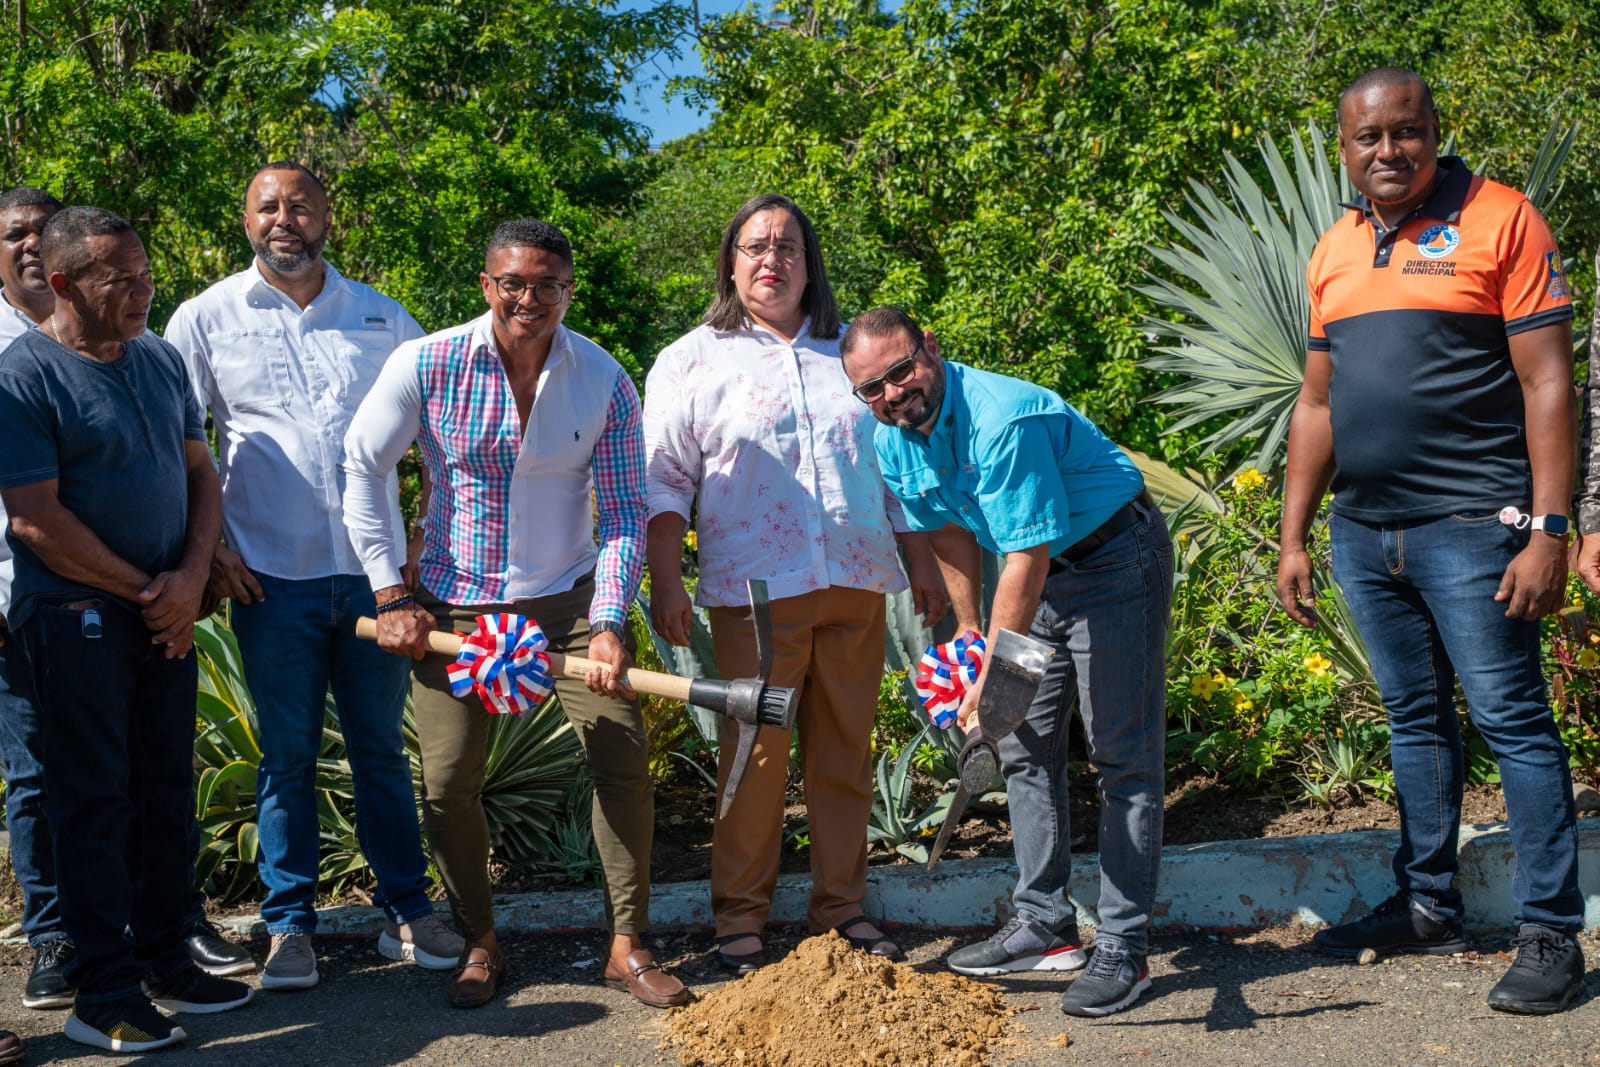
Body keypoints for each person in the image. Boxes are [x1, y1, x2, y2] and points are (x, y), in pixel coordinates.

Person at [1276, 68, 1586, 1015]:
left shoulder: (1500, 217)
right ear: (1344, 147)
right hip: (1367, 534)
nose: (1388, 153)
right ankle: (1426, 904)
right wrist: (1294, 535)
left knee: (1513, 724)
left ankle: (1550, 933)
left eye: (1405, 133)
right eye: (1367, 138)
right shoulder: (1333, 247)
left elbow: (1548, 385)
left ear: (1434, 132)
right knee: (1415, 722)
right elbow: (1319, 401)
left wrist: (1552, 528)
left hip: (1475, 530)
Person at [342, 217, 686, 1010]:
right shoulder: (426, 364)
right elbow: (363, 464)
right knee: (447, 781)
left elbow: (629, 511)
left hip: (566, 597)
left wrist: (607, 619)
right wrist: (392, 593)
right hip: (456, 601)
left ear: (569, 289)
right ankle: (480, 941)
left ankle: (626, 943)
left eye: (549, 285)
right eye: (514, 283)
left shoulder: (602, 377)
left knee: (621, 752)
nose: (530, 298)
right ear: (487, 285)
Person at [165, 162, 459, 992]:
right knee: (285, 757)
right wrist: (214, 549)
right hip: (270, 578)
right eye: (267, 206)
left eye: (299, 204)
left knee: (379, 751)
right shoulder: (205, 318)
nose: (283, 218)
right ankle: (289, 925)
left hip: (376, 581)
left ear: (329, 215)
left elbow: (434, 444)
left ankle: (408, 909)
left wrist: (420, 545)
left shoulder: (382, 317)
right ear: (246, 217)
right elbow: (182, 450)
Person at [840, 306, 1173, 1019]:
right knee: (1022, 745)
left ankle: (1123, 945)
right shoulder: (892, 437)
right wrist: (969, 630)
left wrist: (997, 662)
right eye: (872, 388)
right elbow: (949, 530)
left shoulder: (1001, 419)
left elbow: (1025, 553)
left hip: (1112, 562)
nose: (893, 394)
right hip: (1040, 578)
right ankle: (1046, 924)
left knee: (1121, 757)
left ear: (931, 346)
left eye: (901, 371)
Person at [643, 194, 942, 975]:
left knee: (844, 756)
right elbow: (666, 480)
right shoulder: (692, 359)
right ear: (730, 261)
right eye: (754, 246)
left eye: (788, 247)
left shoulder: (849, 354)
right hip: (756, 596)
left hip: (856, 582)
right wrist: (668, 579)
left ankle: (841, 908)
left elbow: (899, 467)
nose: (771, 259)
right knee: (756, 761)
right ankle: (741, 917)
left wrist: (922, 567)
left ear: (810, 264)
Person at [0, 206, 253, 1051]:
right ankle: (102, 992)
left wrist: (188, 577)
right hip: (75, 618)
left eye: (145, 273)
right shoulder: (23, 377)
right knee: (94, 803)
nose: (143, 291)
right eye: (120, 279)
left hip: (162, 608)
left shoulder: (158, 359)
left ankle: (166, 960)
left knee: (162, 791)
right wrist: (153, 587)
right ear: (65, 282)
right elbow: (35, 520)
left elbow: (199, 472)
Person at [0, 185, 76, 1015]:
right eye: (14, 234)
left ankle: (144, 923)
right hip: (12, 599)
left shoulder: (112, 334)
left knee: (127, 767)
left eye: (42, 233)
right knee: (33, 776)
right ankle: (52, 934)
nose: (29, 246)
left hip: (108, 594)